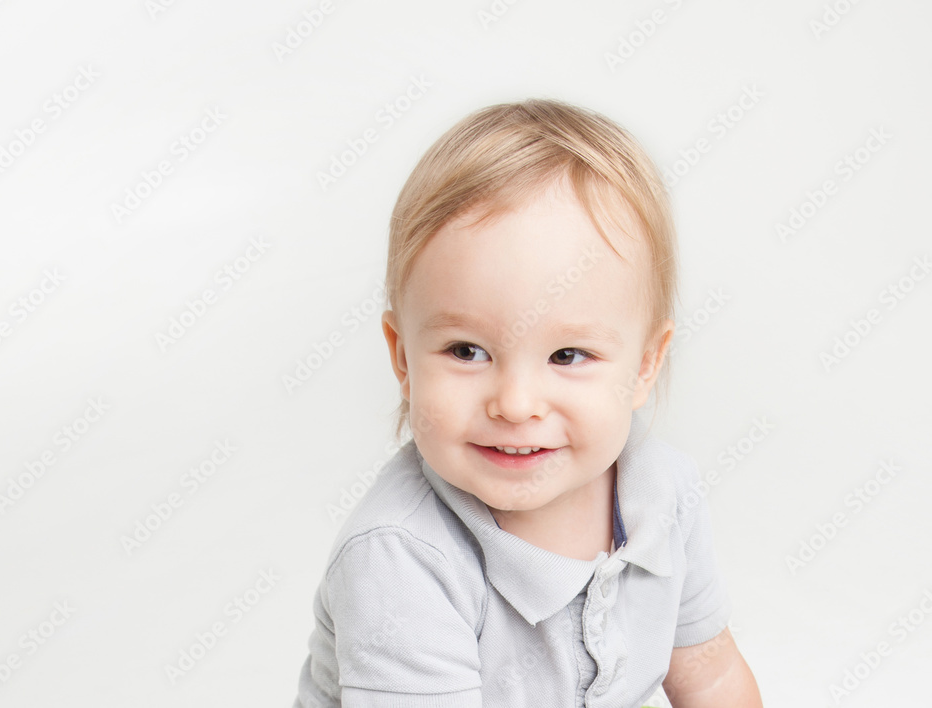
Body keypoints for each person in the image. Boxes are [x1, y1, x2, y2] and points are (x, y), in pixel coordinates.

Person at [294, 98, 762, 707]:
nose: (515, 405)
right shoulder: (401, 557)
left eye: (567, 355)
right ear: (403, 358)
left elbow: (712, 676)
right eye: (466, 351)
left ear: (647, 364)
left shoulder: (663, 493)